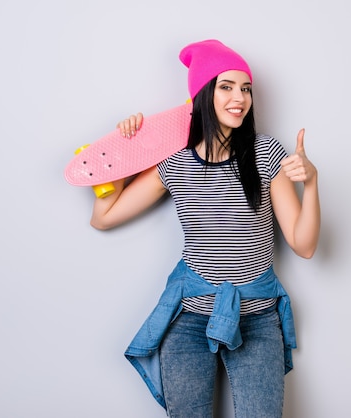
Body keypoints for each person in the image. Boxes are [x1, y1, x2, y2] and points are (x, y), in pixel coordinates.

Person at [89, 39, 320, 418]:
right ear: (202, 94)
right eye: (226, 86)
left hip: (258, 320)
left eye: (245, 88)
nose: (239, 98)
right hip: (189, 320)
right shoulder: (175, 164)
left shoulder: (267, 153)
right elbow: (103, 217)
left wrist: (311, 183)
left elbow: (304, 244)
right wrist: (121, 154)